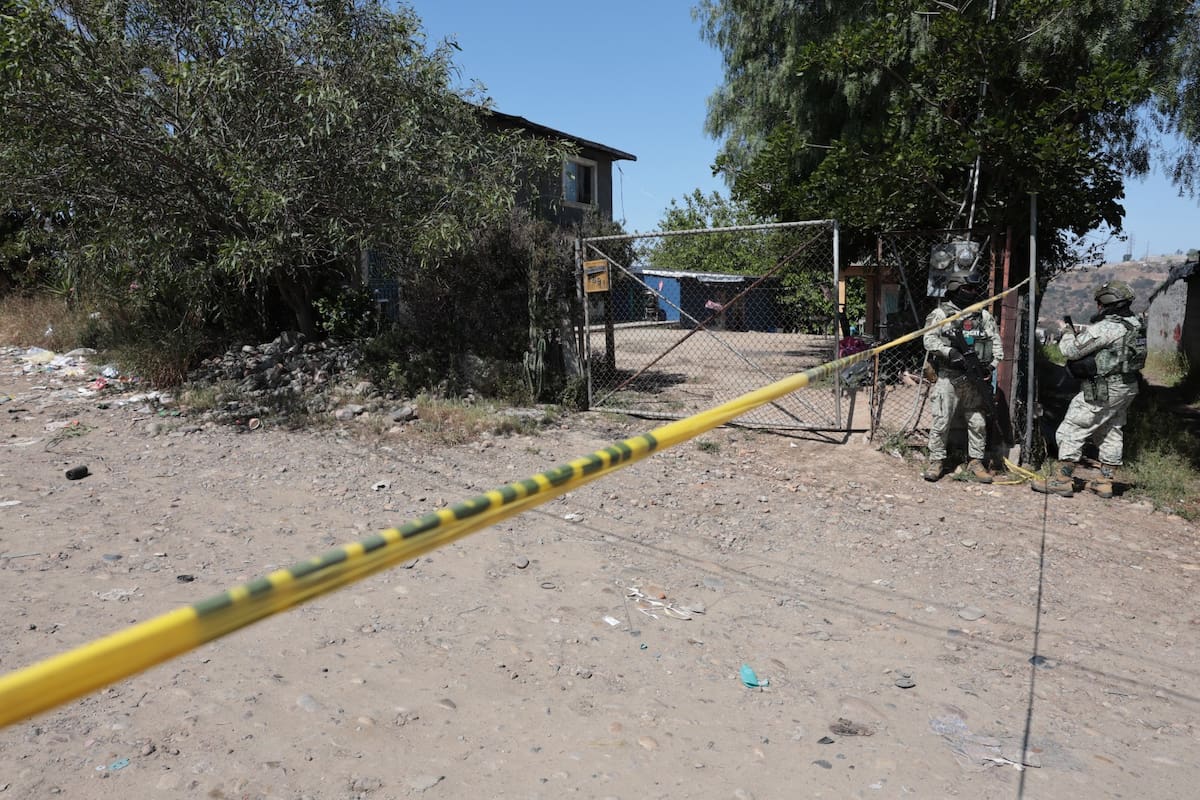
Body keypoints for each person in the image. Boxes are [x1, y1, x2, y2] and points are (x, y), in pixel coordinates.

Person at [1032, 280, 1146, 498]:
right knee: (1111, 431)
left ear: (1106, 302)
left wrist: (1067, 333)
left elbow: (1071, 351)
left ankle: (1062, 480)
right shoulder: (1136, 324)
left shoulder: (1108, 328)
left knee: (1072, 428)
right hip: (1128, 386)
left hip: (1105, 388)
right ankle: (1105, 482)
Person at [921, 276, 1004, 482]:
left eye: (974, 288)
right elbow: (928, 339)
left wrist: (990, 367)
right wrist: (948, 352)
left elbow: (996, 344)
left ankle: (975, 460)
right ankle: (937, 460)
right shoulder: (941, 314)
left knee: (977, 422)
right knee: (941, 420)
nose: (972, 291)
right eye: (967, 288)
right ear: (955, 289)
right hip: (948, 376)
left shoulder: (983, 316)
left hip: (975, 379)